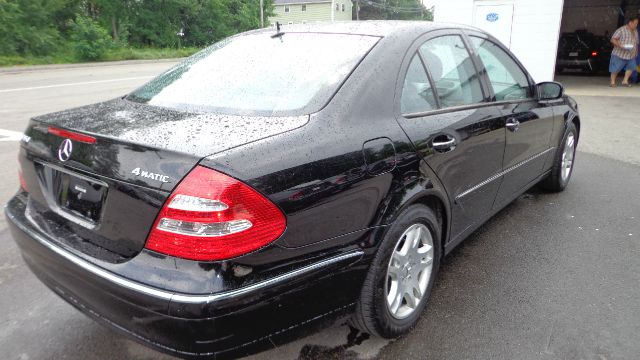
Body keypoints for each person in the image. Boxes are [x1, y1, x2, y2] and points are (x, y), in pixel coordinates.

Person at [610, 17, 639, 87]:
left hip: (631, 54)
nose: (636, 25)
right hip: (620, 54)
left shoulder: (635, 31)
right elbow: (613, 39)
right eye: (635, 23)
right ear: (630, 23)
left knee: (631, 67)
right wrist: (621, 46)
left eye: (637, 24)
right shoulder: (621, 30)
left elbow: (636, 41)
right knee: (615, 68)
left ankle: (625, 81)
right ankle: (612, 82)